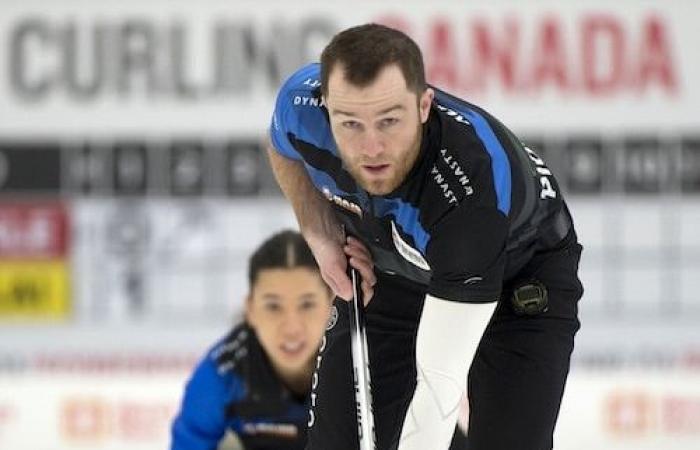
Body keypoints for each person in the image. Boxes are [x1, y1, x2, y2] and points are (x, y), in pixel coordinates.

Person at [266, 23, 584, 450]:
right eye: (350, 124)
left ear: (423, 105)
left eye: (389, 121)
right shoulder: (301, 105)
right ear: (326, 108)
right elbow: (283, 147)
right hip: (396, 270)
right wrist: (319, 232)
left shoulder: (469, 199)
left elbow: (438, 389)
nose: (371, 147)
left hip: (519, 274)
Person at [170, 230, 334, 450]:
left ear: (332, 304)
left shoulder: (361, 360)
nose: (292, 328)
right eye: (273, 306)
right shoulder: (223, 373)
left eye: (307, 305)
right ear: (250, 310)